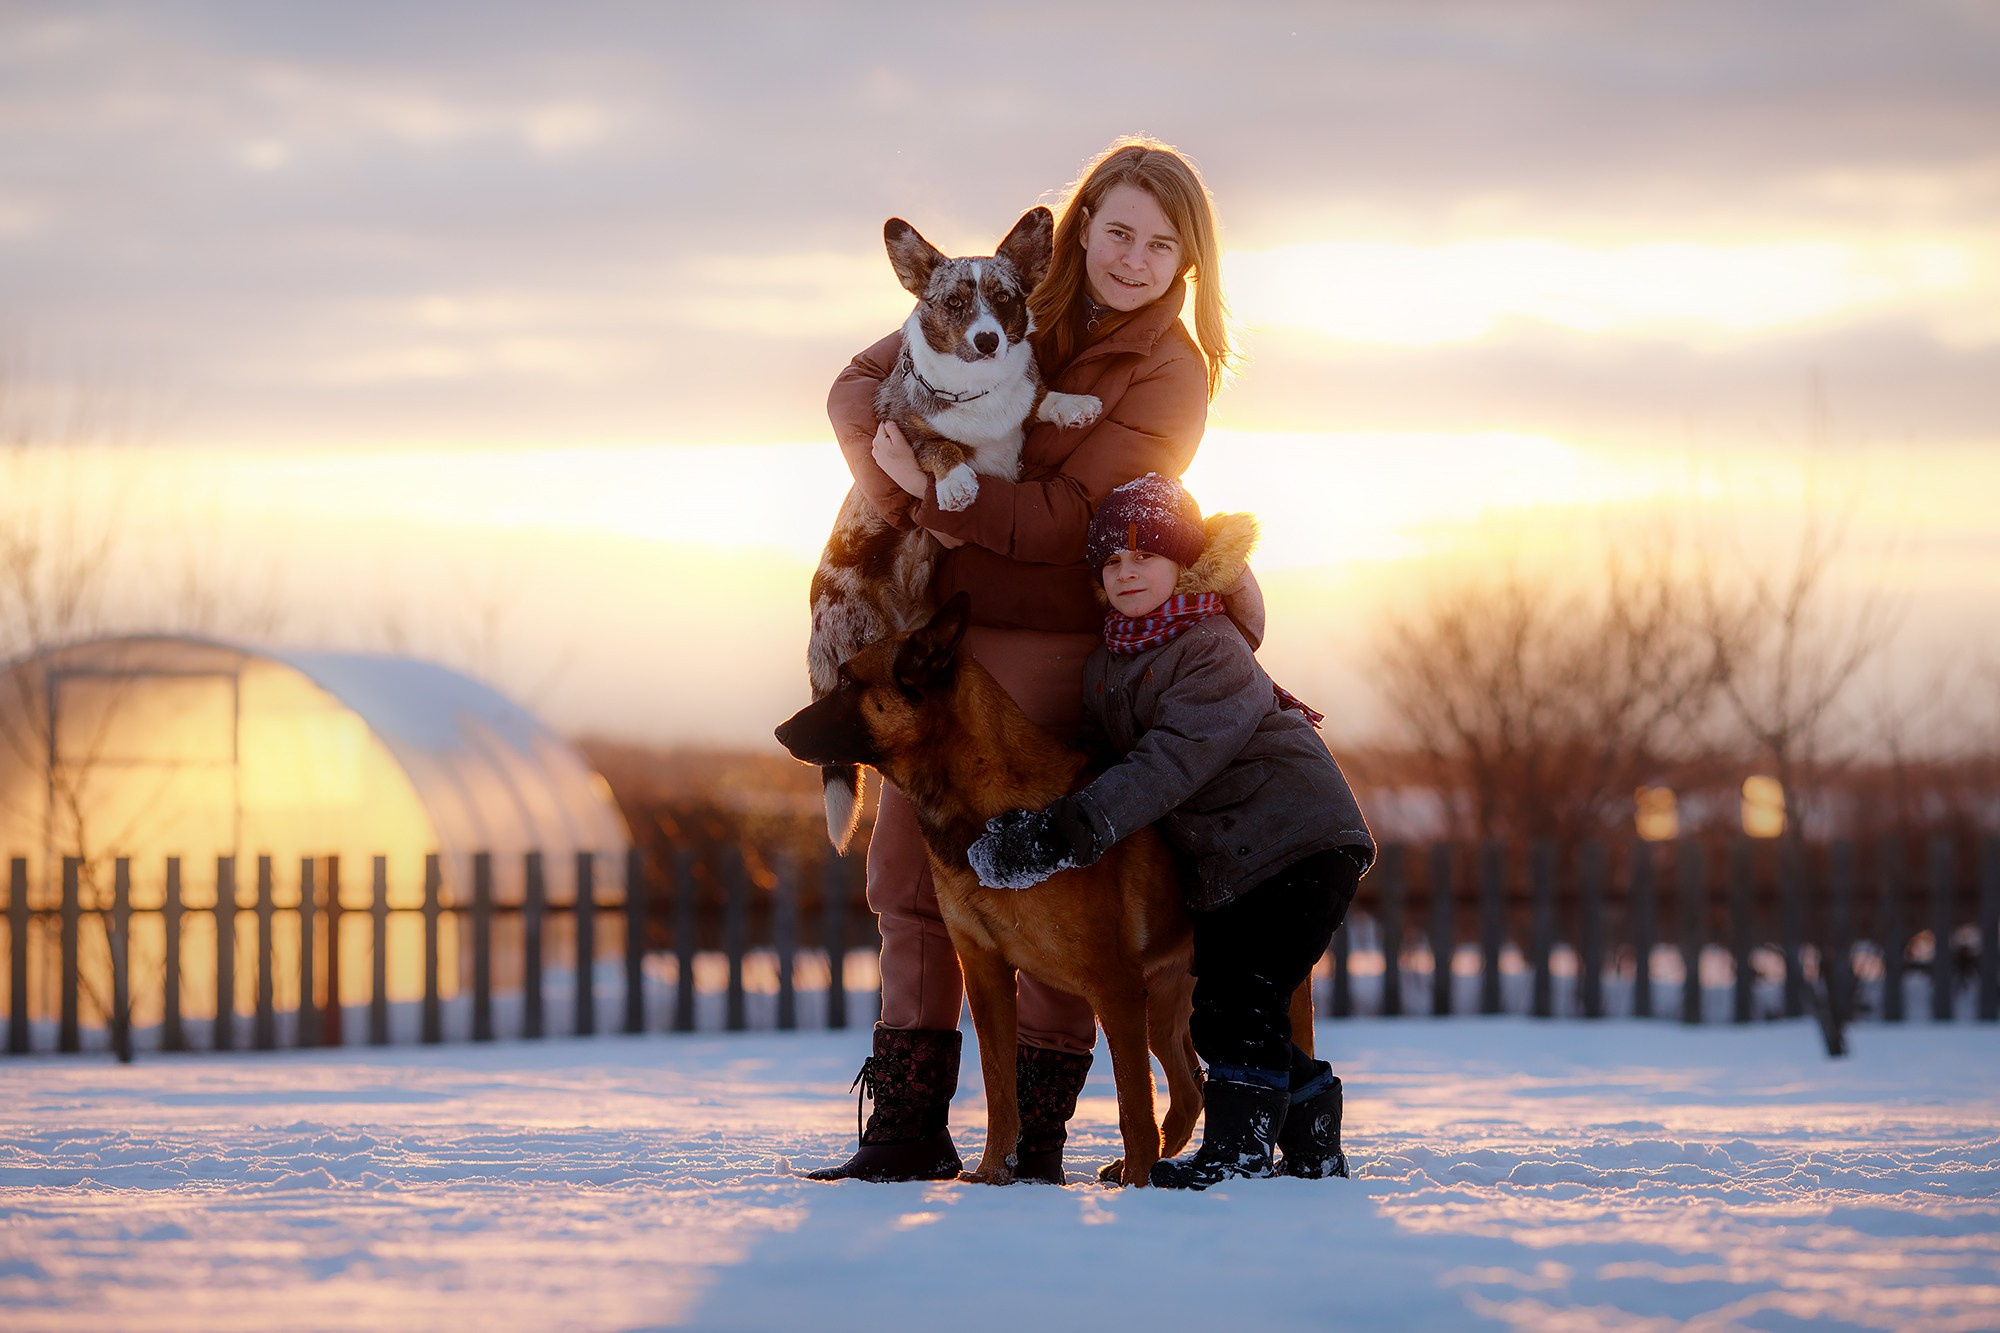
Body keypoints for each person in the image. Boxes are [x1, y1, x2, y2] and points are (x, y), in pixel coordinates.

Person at [811, 137, 1241, 1184]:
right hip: (943, 635)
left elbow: (1067, 519)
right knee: (906, 876)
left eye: (1159, 243)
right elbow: (858, 382)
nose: (1132, 258)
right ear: (1084, 221)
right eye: (1117, 230)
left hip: (1055, 645)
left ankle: (1034, 1132)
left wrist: (920, 493)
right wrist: (885, 455)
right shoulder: (1010, 292)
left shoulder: (1167, 370)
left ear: (1187, 261)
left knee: (1047, 887)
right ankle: (907, 1121)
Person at [968, 472, 1375, 1189]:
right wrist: (1034, 804)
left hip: (1298, 842)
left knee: (1234, 1004)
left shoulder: (1210, 647)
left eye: (1145, 556)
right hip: (1234, 861)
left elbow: (1167, 764)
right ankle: (1313, 1147)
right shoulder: (1110, 665)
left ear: (1182, 565)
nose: (1127, 572)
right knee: (1242, 1005)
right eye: (1112, 560)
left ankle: (1239, 1153)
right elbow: (1095, 762)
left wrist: (1066, 832)